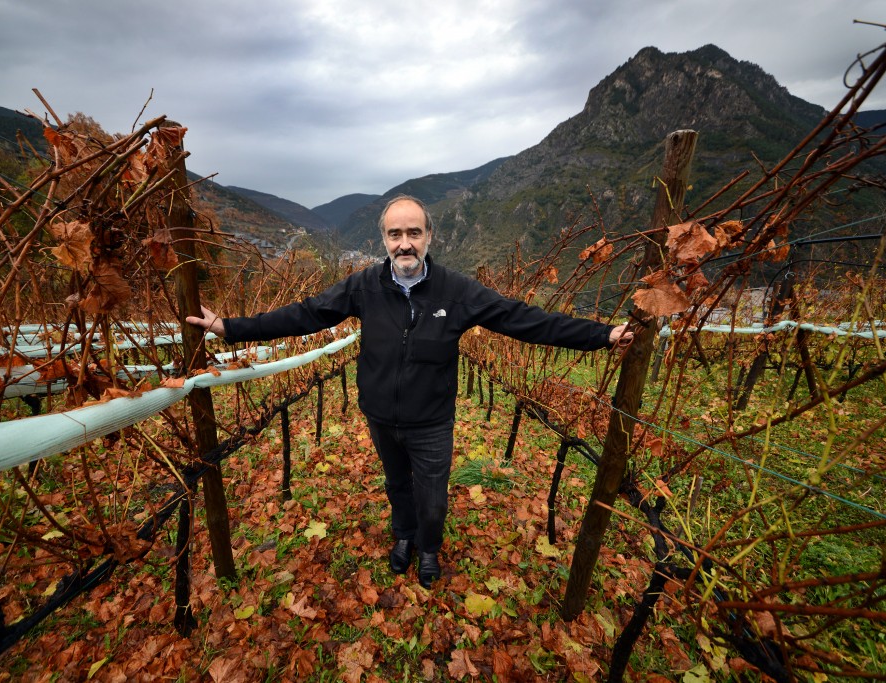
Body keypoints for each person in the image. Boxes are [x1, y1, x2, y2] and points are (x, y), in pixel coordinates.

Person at [187, 195, 632, 588]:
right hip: (380, 415)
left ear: (429, 238)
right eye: (395, 233)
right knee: (398, 483)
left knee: (433, 497)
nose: (405, 243)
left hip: (432, 420)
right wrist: (229, 328)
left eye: (413, 233)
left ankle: (429, 548)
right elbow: (305, 315)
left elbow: (526, 320)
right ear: (383, 239)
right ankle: (403, 536)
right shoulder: (363, 286)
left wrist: (603, 335)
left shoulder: (457, 292)